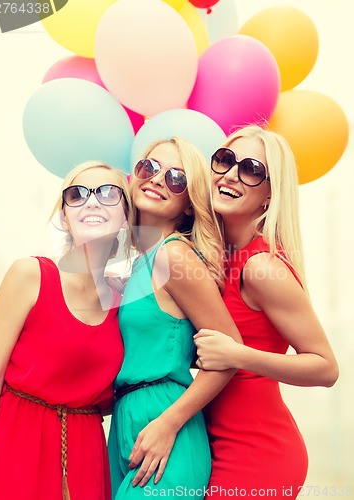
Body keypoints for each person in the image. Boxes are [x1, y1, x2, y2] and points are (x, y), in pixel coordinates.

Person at [193, 125, 339, 499]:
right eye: (225, 161)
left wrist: (237, 354)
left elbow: (325, 367)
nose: (230, 175)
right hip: (212, 444)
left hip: (256, 452)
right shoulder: (214, 258)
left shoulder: (260, 266)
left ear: (269, 195)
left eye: (252, 169)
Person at [107, 137, 243, 499]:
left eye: (176, 178)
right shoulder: (141, 263)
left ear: (188, 205)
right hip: (126, 420)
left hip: (166, 423)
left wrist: (168, 423)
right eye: (149, 168)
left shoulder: (175, 257)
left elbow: (230, 354)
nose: (156, 179)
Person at [0, 161, 132, 500]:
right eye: (77, 194)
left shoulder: (124, 302)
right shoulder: (31, 275)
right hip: (17, 439)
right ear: (65, 216)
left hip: (86, 448)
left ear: (126, 217)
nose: (92, 201)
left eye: (109, 193)